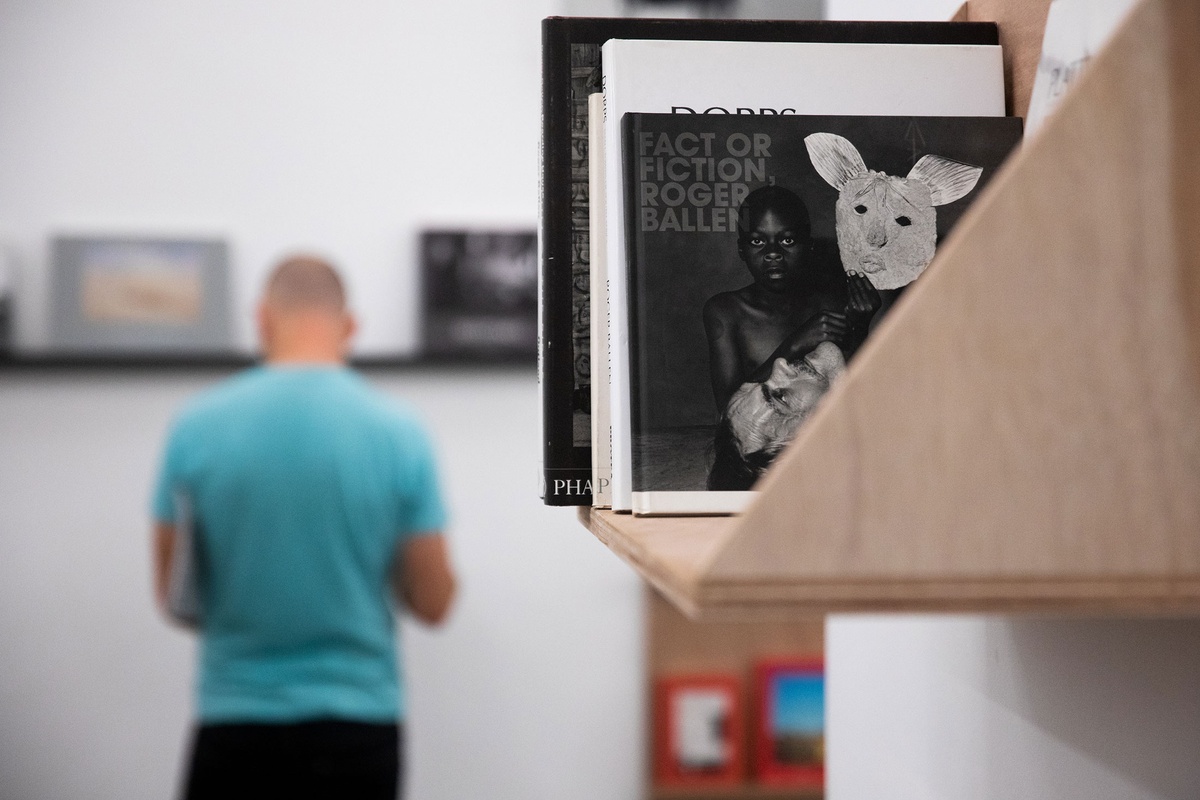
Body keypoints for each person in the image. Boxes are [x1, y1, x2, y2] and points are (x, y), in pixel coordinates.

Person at [151, 255, 456, 800]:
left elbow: (175, 599)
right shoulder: (398, 432)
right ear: (351, 326)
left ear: (262, 319)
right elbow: (434, 602)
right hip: (359, 725)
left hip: (233, 718)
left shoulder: (195, 427)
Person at [702, 185, 878, 490]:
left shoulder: (829, 302)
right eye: (758, 241)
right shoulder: (725, 311)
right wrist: (796, 342)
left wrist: (861, 324)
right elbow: (729, 412)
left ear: (808, 247)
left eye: (787, 240)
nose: (773, 253)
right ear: (742, 249)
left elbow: (843, 382)